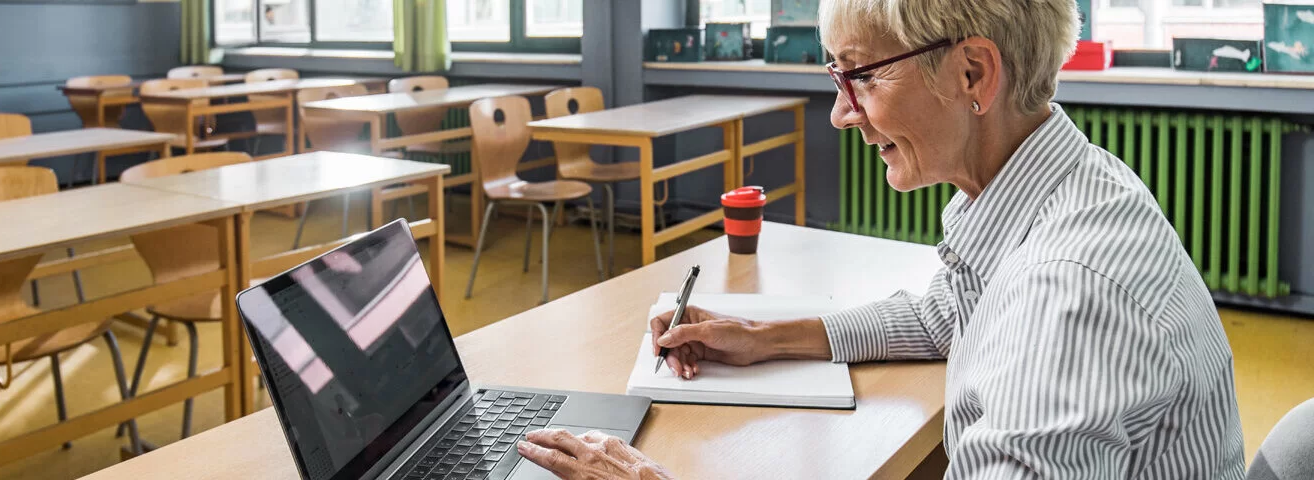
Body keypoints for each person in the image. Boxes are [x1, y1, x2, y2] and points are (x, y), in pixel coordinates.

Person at [515, 0, 1247, 478]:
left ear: (972, 72)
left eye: (860, 76)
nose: (841, 113)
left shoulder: (1067, 294)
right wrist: (759, 334)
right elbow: (943, 316)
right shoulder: (1046, 185)